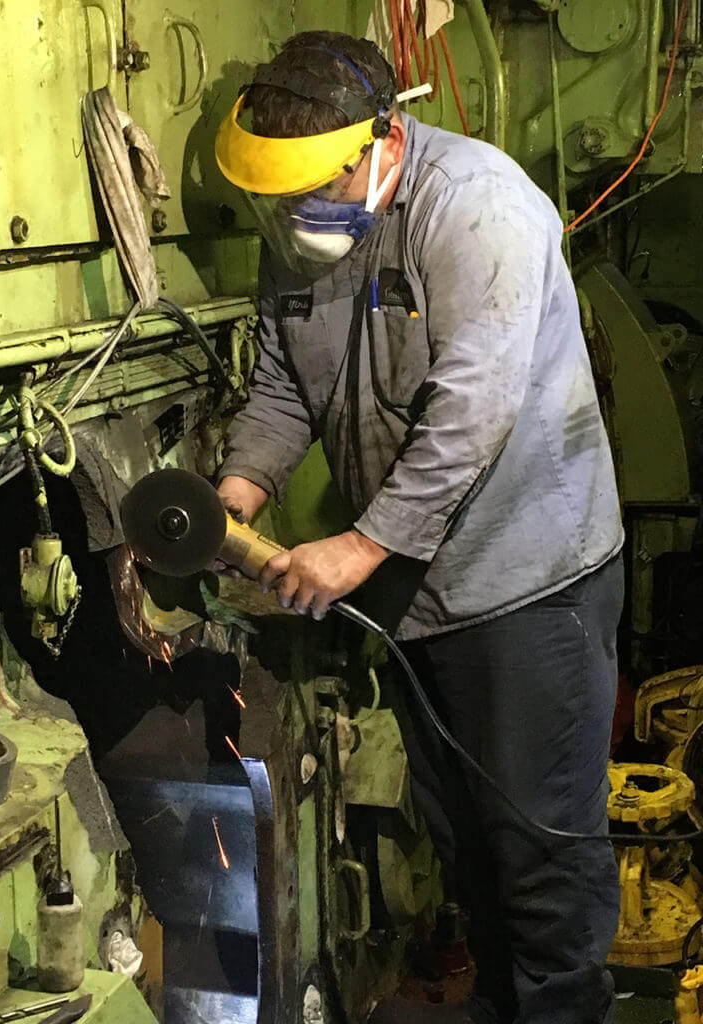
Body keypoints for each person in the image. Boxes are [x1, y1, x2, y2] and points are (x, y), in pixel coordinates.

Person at [214, 30, 624, 1024]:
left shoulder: (475, 208)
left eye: (315, 184)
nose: (297, 213)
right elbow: (283, 385)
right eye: (281, 195)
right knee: (466, 836)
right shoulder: (304, 235)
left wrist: (355, 548)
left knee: (540, 837)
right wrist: (235, 493)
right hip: (417, 587)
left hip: (531, 583)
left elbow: (470, 417)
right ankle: (504, 1000)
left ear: (383, 140)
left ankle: (567, 1010)